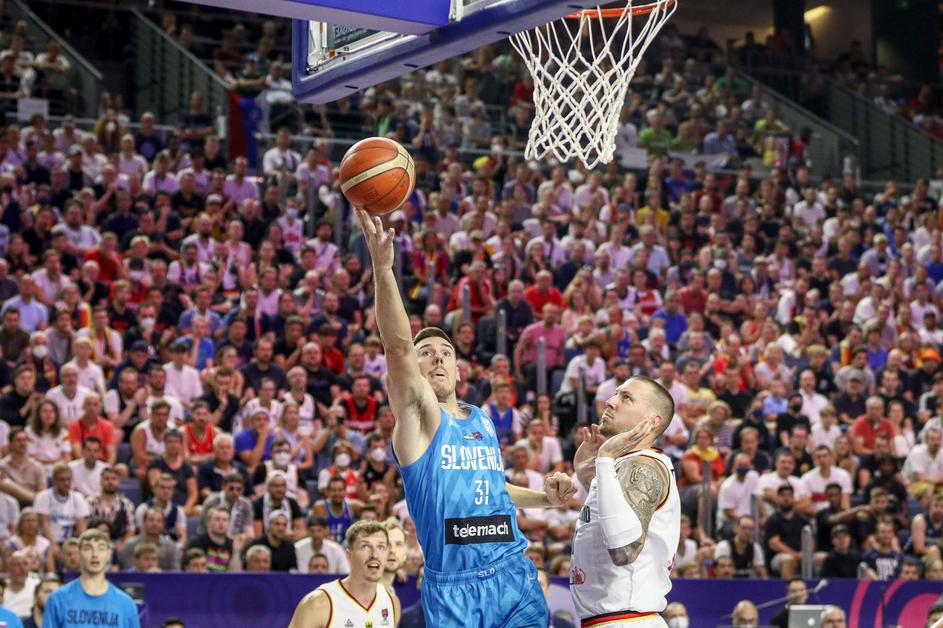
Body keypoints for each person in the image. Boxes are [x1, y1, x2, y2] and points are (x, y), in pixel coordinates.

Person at [358, 209, 576, 627]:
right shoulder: (418, 420)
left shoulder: (482, 419)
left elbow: (494, 489)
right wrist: (383, 270)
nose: (438, 358)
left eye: (446, 353)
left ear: (459, 371)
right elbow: (398, 347)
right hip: (454, 588)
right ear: (413, 371)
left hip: (514, 572)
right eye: (426, 354)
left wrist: (545, 499)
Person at [569, 376, 680, 627]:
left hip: (625, 619)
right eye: (615, 393)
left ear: (652, 420)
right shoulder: (628, 465)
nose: (610, 401)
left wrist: (605, 457)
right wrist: (589, 478)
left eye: (626, 398)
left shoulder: (644, 467)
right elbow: (615, 518)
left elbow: (624, 549)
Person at [288, 520, 400, 628]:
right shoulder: (319, 603)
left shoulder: (392, 603)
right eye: (365, 546)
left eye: (381, 547)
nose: (374, 555)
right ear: (349, 555)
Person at [43, 529, 140, 627]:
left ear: (109, 554)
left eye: (101, 548)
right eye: (88, 548)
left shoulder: (125, 604)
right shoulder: (58, 598)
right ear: (79, 554)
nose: (95, 555)